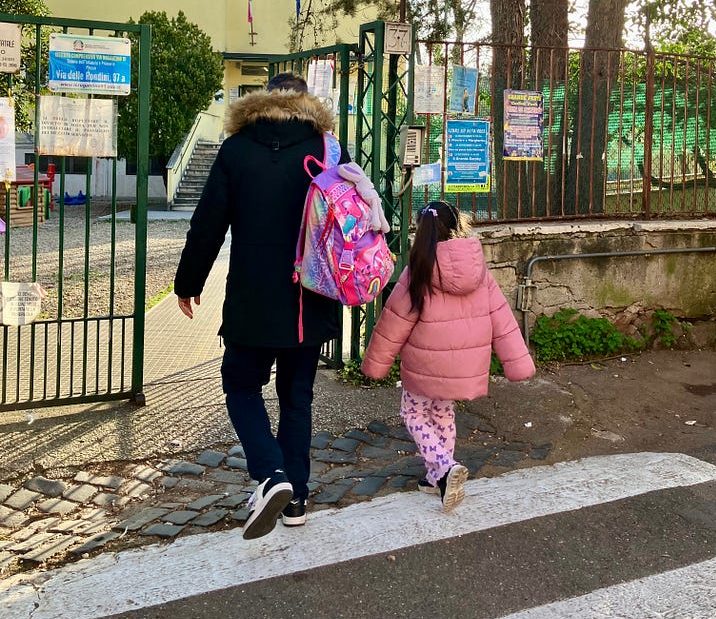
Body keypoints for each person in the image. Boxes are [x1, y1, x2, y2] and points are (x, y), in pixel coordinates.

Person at [174, 71, 351, 540]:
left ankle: (272, 475)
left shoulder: (236, 149)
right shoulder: (327, 149)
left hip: (252, 296)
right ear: (307, 102)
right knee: (297, 398)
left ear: (263, 99)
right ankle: (296, 499)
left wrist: (188, 282)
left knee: (241, 387)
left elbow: (208, 221)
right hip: (308, 297)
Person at [360, 199, 535, 511]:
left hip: (424, 365)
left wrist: (376, 363)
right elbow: (503, 318)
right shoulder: (478, 268)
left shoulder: (419, 270)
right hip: (464, 365)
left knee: (414, 415)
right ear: (458, 225)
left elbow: (394, 322)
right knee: (442, 414)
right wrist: (518, 362)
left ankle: (444, 467)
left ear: (420, 230)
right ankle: (434, 477)